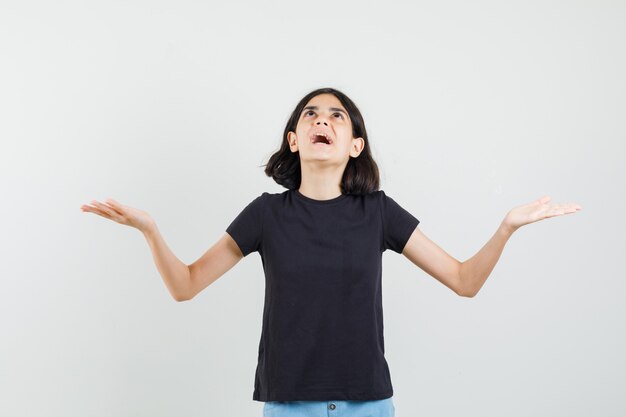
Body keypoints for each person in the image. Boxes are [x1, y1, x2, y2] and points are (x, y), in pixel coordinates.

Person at [80, 87, 582, 417]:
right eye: (312, 114)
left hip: (369, 405)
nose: (324, 120)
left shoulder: (379, 213)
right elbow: (185, 285)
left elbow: (464, 280)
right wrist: (150, 230)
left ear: (355, 145)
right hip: (288, 405)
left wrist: (505, 229)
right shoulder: (265, 215)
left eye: (337, 116)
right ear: (295, 140)